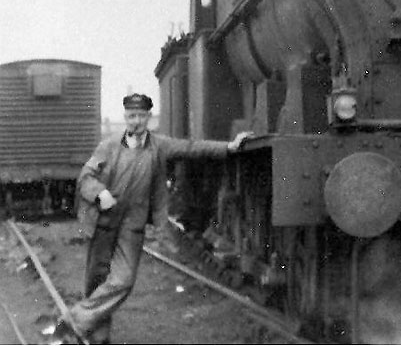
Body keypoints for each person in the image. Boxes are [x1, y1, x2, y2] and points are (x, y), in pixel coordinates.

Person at [52, 93, 252, 345]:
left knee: (123, 281)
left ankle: (74, 320)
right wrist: (100, 192)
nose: (135, 121)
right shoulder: (109, 146)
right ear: (125, 117)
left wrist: (228, 147)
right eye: (131, 116)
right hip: (104, 222)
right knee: (97, 281)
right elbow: (86, 177)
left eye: (141, 116)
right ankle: (99, 337)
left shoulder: (159, 146)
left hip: (131, 226)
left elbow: (191, 147)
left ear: (148, 117)